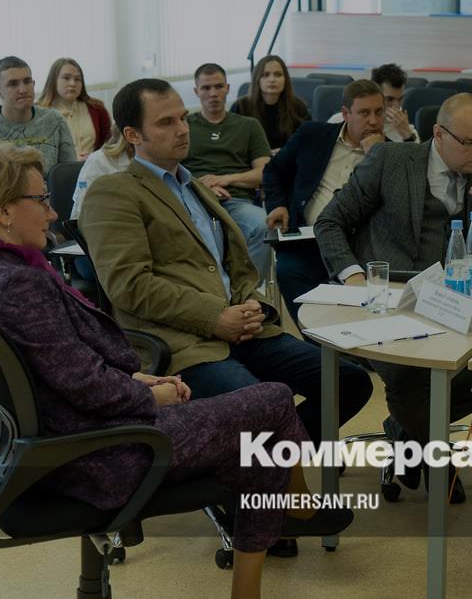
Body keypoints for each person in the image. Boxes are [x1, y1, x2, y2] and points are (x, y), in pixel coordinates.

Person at [0, 138, 350, 598]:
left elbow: (59, 361)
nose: (53, 213)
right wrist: (153, 395)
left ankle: (256, 572)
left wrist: (135, 378)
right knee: (273, 400)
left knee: (255, 445)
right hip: (102, 452)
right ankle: (294, 508)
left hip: (74, 436)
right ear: (3, 212)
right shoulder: (19, 283)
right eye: (42, 200)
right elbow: (81, 382)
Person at [80, 79, 373, 539]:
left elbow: (234, 266)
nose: (183, 129)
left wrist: (254, 305)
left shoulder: (192, 185)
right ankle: (271, 502)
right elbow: (129, 286)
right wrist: (214, 317)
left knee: (348, 381)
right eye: (166, 122)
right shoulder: (113, 192)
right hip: (184, 341)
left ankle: (253, 479)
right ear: (133, 135)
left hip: (241, 328)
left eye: (182, 117)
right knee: (262, 403)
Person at [314, 93, 472, 501]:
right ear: (438, 134)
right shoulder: (390, 161)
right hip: (389, 302)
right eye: (469, 142)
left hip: (456, 305)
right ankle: (437, 460)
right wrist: (355, 279)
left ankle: (405, 430)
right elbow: (331, 221)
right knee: (409, 375)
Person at [262, 79, 388, 315]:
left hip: (358, 246)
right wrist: (277, 204)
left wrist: (376, 156)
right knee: (288, 271)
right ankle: (314, 338)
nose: (373, 121)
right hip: (307, 240)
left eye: (379, 112)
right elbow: (273, 170)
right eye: (364, 113)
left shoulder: (392, 153)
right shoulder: (313, 134)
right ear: (346, 114)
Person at [184, 62, 272, 277]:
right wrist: (202, 187)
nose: (213, 93)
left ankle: (249, 290)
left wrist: (225, 179)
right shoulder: (184, 125)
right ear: (196, 91)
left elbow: (264, 172)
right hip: (193, 200)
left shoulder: (249, 125)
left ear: (228, 88)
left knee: (263, 226)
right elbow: (169, 168)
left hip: (236, 201)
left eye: (218, 86)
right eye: (206, 88)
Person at [0, 55, 77, 172]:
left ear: (33, 84)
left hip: (47, 184)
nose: (23, 90)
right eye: (13, 84)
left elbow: (70, 172)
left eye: (27, 82)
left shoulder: (55, 120)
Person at [36, 57, 112, 160]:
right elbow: (37, 151)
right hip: (58, 169)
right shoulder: (39, 113)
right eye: (66, 78)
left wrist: (96, 156)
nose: (72, 83)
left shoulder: (97, 108)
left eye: (77, 79)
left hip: (93, 166)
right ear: (54, 81)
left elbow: (111, 144)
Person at [230, 55, 310, 152]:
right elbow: (232, 142)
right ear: (257, 79)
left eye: (278, 75)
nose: (272, 80)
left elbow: (309, 140)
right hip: (252, 159)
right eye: (265, 75)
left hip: (287, 158)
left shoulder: (298, 106)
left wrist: (286, 152)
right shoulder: (241, 106)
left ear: (286, 79)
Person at [329, 63, 419, 142]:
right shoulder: (339, 120)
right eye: (389, 99)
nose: (397, 106)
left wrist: (407, 136)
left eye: (400, 99)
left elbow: (416, 156)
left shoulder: (407, 130)